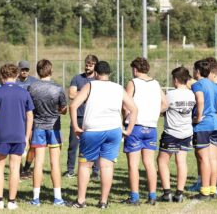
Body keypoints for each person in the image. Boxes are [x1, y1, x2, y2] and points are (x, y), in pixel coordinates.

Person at [70, 61, 138, 209]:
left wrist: (76, 126)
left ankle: (81, 201)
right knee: (107, 166)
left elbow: (73, 105)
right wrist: (129, 129)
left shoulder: (90, 85)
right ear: (109, 73)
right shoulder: (118, 88)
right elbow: (134, 109)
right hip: (114, 130)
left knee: (85, 165)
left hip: (93, 130)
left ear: (95, 73)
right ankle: (103, 202)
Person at [0, 64, 34, 210]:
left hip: (1, 135)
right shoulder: (24, 93)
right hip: (19, 135)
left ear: (1, 76)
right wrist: (26, 137)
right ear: (16, 76)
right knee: (15, 168)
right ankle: (12, 201)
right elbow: (30, 116)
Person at [123, 57, 167, 205]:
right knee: (149, 163)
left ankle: (134, 197)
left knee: (133, 165)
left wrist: (125, 119)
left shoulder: (133, 82)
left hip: (135, 127)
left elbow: (125, 104)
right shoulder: (156, 83)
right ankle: (152, 196)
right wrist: (154, 113)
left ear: (135, 69)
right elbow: (165, 104)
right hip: (151, 127)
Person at [27, 59, 67, 206]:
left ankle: (36, 198)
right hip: (54, 128)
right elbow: (64, 109)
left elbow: (29, 109)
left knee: (38, 163)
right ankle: (58, 198)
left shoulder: (31, 88)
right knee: (55, 163)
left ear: (38, 71)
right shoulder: (58, 88)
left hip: (38, 128)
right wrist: (60, 110)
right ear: (51, 70)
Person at [190, 59, 217, 200]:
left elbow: (200, 100)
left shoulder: (198, 85)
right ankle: (213, 190)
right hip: (215, 124)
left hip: (203, 125)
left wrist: (198, 117)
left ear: (197, 71)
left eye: (193, 70)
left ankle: (204, 191)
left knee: (204, 158)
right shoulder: (215, 85)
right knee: (213, 158)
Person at [157, 67, 196, 203]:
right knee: (181, 162)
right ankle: (179, 193)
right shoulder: (192, 94)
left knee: (162, 161)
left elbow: (161, 109)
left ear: (175, 79)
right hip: (186, 133)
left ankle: (167, 193)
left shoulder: (170, 95)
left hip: (171, 133)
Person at [65, 54, 100, 179]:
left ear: (95, 66)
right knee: (73, 145)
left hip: (93, 118)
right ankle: (70, 170)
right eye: (86, 64)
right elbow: (71, 95)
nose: (87, 67)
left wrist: (81, 94)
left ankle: (95, 171)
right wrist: (88, 93)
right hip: (78, 117)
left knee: (95, 145)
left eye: (90, 65)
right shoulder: (77, 78)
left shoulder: (99, 80)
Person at [16, 60, 37, 179]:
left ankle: (26, 169)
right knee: (18, 144)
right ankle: (18, 170)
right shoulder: (14, 81)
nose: (24, 71)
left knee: (33, 144)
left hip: (31, 117)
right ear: (18, 70)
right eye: (22, 69)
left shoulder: (34, 81)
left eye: (26, 69)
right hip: (18, 117)